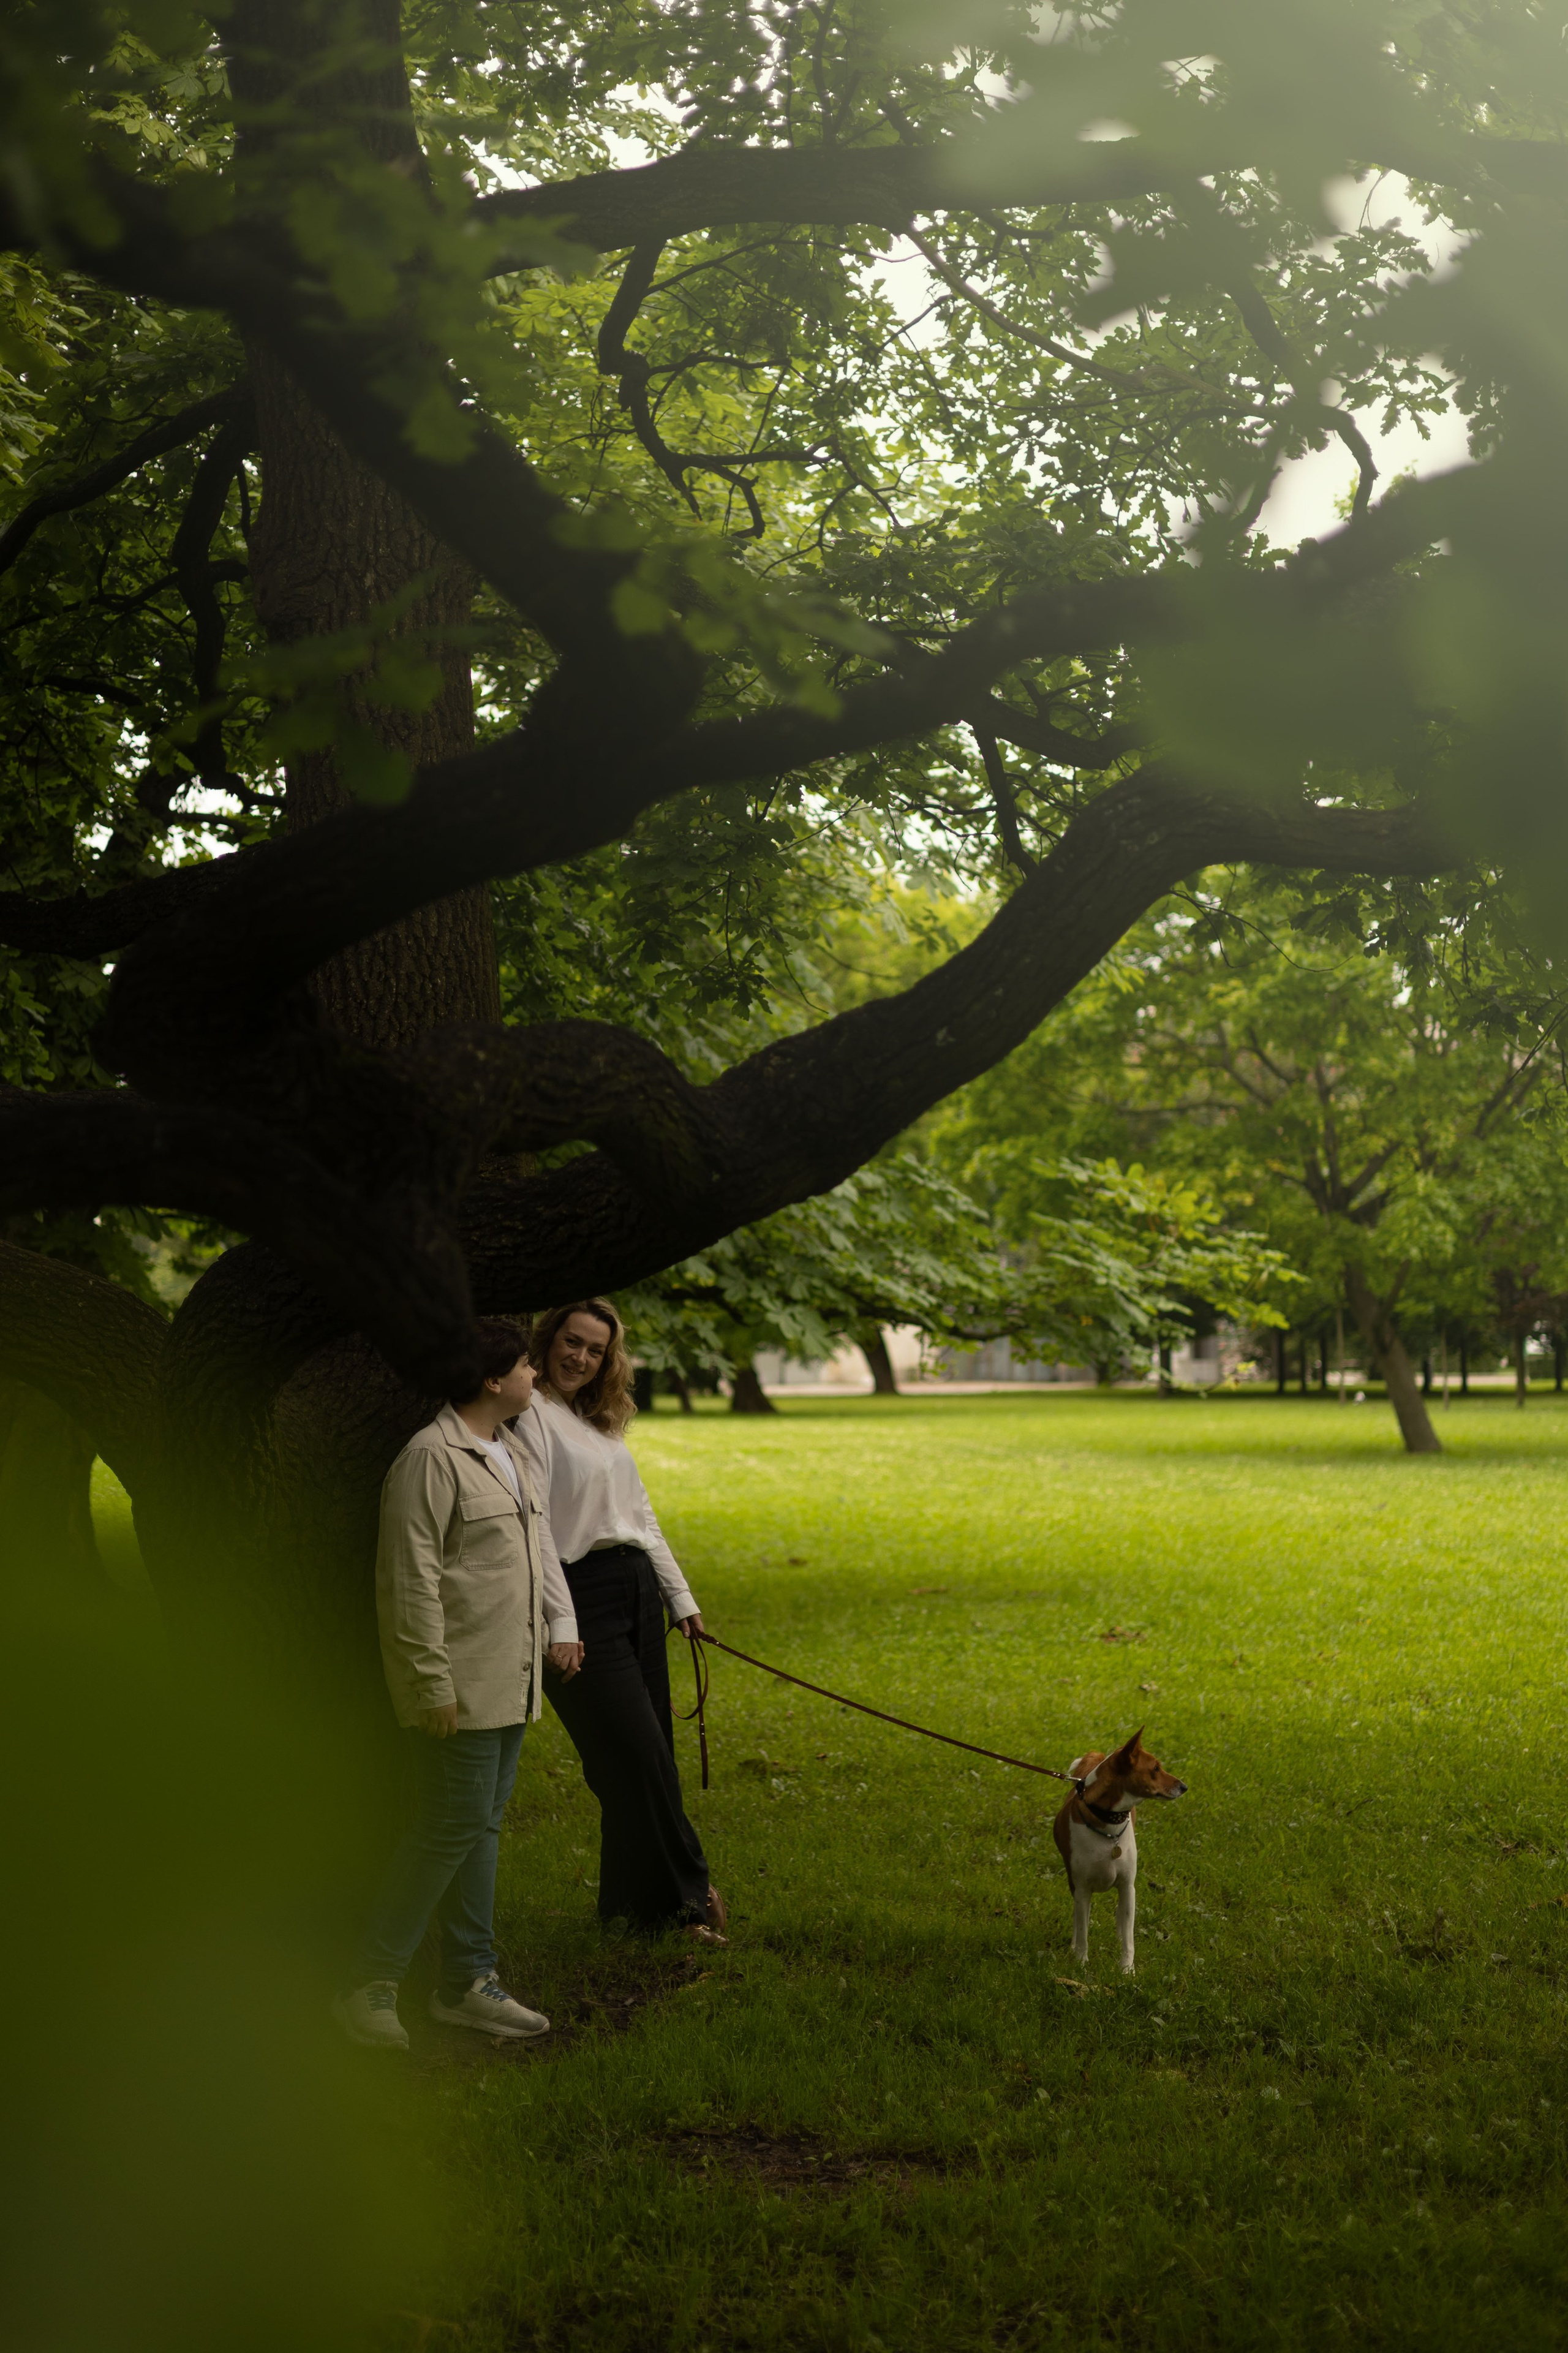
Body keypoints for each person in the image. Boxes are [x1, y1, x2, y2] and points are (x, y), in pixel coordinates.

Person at [333, 1320, 585, 2049]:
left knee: (479, 1826)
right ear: (491, 1380)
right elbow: (408, 1581)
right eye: (526, 1366)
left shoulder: (512, 1451)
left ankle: (466, 1983)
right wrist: (428, 1683)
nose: (536, 1375)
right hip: (458, 1687)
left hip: (510, 1680)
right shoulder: (428, 1458)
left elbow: (537, 1550)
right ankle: (369, 1985)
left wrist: (561, 1623)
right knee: (449, 1827)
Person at [515, 1299, 725, 1944]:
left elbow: (641, 1516)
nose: (579, 1357)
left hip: (636, 1590)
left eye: (595, 1349)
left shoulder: (597, 1421)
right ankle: (691, 1898)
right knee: (635, 1757)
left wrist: (680, 1599)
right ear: (548, 1340)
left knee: (648, 1753)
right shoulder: (530, 1414)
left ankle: (630, 1908)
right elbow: (537, 1528)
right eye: (571, 1341)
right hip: (579, 1594)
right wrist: (562, 1622)